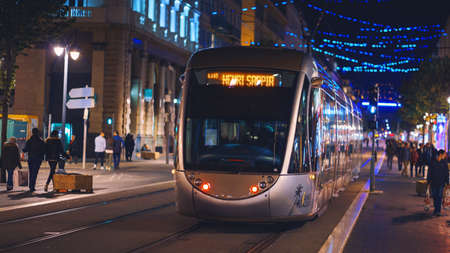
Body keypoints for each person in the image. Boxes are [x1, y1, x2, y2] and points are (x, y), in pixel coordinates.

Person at [427, 150, 449, 216]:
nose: (445, 156)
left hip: (441, 183)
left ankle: (438, 210)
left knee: (439, 196)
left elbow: (446, 173)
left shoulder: (444, 162)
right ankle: (436, 209)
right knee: (434, 196)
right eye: (444, 155)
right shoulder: (433, 162)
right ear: (440, 154)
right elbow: (429, 172)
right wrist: (428, 181)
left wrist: (447, 182)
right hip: (434, 182)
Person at [23, 128, 46, 192]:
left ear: (32, 132)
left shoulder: (29, 141)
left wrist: (23, 150)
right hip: (38, 159)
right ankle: (32, 186)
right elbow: (44, 151)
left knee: (31, 172)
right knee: (35, 172)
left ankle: (31, 186)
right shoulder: (41, 141)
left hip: (31, 158)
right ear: (38, 133)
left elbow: (25, 150)